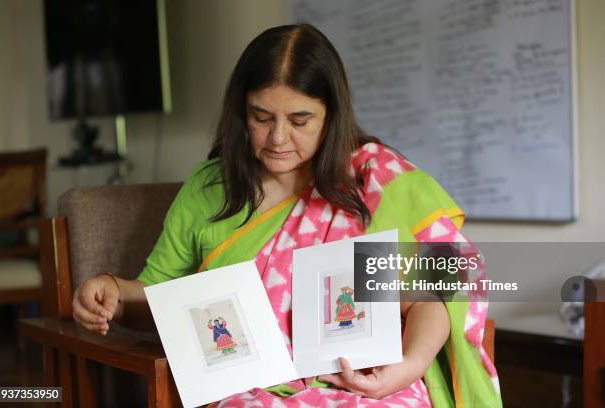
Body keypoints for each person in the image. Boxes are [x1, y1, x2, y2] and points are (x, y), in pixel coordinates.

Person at [72, 24, 501, 407]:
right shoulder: (208, 190)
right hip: (249, 389)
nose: (278, 138)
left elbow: (442, 288)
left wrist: (408, 366)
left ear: (331, 115)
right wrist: (112, 289)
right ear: (242, 112)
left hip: (371, 384)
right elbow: (161, 297)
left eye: (300, 120)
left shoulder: (376, 180)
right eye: (262, 117)